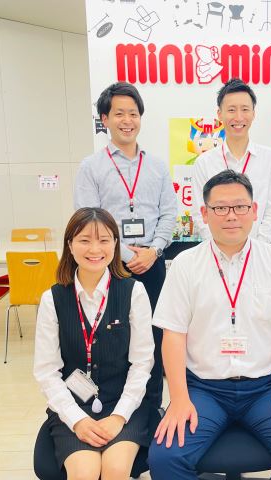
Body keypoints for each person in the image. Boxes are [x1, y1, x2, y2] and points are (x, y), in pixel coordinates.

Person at [148, 170, 271, 479]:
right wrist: (179, 399)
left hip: (265, 388)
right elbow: (173, 335)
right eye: (220, 207)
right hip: (204, 389)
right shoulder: (186, 265)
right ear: (204, 213)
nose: (231, 215)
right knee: (165, 458)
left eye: (240, 206)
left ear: (254, 210)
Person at [74, 82, 177, 408]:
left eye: (133, 113)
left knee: (155, 335)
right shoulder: (91, 167)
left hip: (152, 264)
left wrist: (154, 251)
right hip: (109, 265)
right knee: (113, 337)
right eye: (119, 114)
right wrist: (129, 254)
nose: (127, 120)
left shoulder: (157, 166)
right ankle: (115, 405)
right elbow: (89, 220)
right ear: (105, 119)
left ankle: (153, 406)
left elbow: (169, 213)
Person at [33, 207, 156, 480]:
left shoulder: (133, 292)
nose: (95, 249)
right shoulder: (52, 298)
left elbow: (142, 363)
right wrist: (77, 419)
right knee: (84, 473)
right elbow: (46, 371)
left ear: (115, 244)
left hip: (125, 404)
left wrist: (119, 416)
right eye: (85, 240)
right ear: (70, 245)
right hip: (73, 406)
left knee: (115, 470)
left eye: (104, 240)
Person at [191, 78, 271, 243]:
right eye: (231, 110)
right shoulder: (204, 163)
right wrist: (219, 248)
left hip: (259, 250)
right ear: (220, 114)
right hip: (216, 251)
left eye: (245, 109)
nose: (239, 117)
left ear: (253, 113)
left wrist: (257, 250)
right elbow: (200, 213)